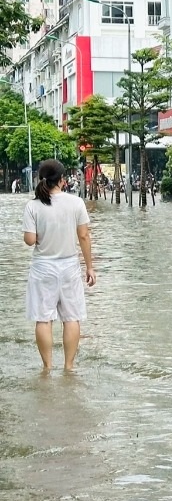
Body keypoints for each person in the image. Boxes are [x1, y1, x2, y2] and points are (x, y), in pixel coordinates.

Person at [21, 159, 96, 371]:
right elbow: (83, 236)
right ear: (62, 180)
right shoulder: (76, 203)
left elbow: (29, 240)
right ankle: (69, 367)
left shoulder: (33, 206)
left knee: (43, 319)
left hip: (43, 267)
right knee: (71, 317)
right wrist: (89, 267)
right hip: (70, 266)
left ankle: (47, 368)